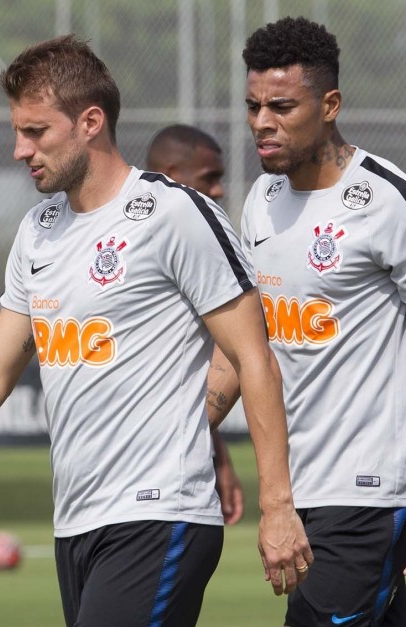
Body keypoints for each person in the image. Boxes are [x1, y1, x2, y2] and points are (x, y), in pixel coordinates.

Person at [0, 34, 312, 627]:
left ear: (90, 122)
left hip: (159, 514)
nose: (19, 150)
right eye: (18, 131)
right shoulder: (37, 231)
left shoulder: (173, 214)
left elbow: (256, 360)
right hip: (76, 523)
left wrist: (277, 504)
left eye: (35, 132)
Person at [207, 17, 406, 627]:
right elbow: (245, 342)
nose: (261, 122)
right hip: (297, 492)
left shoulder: (391, 202)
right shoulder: (262, 200)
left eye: (281, 106)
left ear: (329, 104)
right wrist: (183, 427)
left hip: (367, 493)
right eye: (252, 107)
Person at [146, 124, 243, 525]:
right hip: (118, 477)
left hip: (161, 489)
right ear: (172, 174)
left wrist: (215, 454)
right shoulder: (142, 244)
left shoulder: (198, 243)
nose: (219, 190)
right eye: (210, 179)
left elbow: (182, 374)